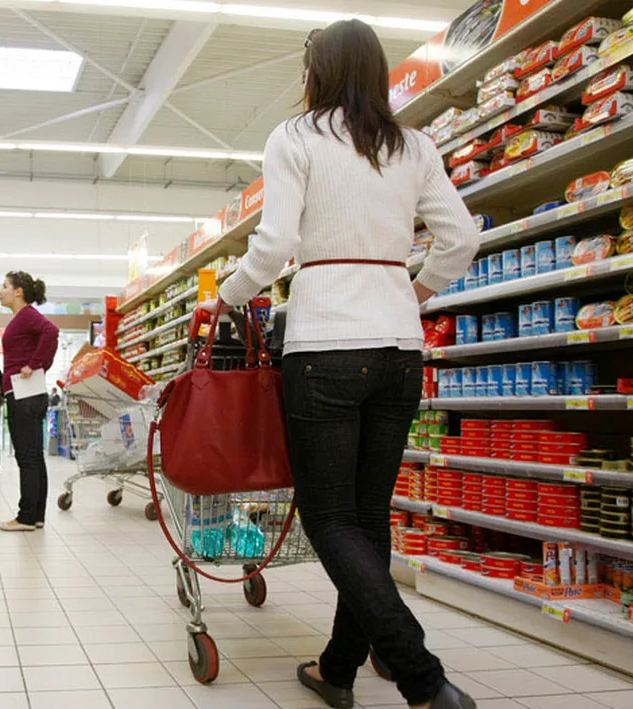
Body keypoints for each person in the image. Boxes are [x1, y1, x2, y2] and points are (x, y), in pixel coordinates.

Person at [202, 20, 479, 709]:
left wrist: (227, 299)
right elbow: (462, 237)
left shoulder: (295, 138)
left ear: (316, 72)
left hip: (327, 344)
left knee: (329, 517)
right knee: (368, 515)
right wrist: (413, 291)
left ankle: (421, 675)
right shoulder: (413, 144)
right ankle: (338, 669)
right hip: (398, 350)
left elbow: (274, 245)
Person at [0, 271, 59, 532]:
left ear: (18, 291)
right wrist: (38, 365)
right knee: (34, 456)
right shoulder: (21, 318)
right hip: (28, 393)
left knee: (27, 457)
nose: (0, 291)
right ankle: (36, 516)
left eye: (5, 286)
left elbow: (51, 331)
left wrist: (35, 365)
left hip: (23, 394)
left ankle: (25, 517)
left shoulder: (27, 315)